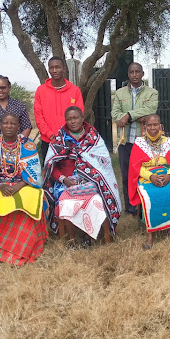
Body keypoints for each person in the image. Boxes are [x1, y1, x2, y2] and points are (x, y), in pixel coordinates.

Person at [0, 114, 47, 265]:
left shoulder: (28, 144)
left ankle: (21, 249)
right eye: (5, 123)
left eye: (13, 123)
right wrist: (1, 186)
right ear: (0, 125)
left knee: (30, 201)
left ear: (19, 127)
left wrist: (18, 186)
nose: (9, 126)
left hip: (24, 184)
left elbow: (35, 174)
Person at [43, 106, 121, 248]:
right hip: (65, 182)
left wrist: (89, 178)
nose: (72, 121)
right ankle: (72, 240)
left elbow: (103, 163)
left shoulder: (93, 136)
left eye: (75, 118)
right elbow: (51, 166)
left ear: (82, 118)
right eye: (69, 119)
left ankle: (87, 236)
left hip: (90, 182)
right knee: (66, 202)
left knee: (97, 199)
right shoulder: (59, 138)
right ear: (65, 121)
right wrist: (64, 180)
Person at [129, 114, 170, 249]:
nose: (153, 128)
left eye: (155, 125)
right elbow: (136, 167)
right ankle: (150, 236)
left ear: (160, 126)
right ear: (145, 127)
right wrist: (150, 177)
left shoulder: (167, 142)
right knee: (150, 196)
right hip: (146, 176)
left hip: (165, 174)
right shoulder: (139, 142)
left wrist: (169, 176)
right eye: (149, 125)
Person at [112, 62, 158, 216]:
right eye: (131, 72)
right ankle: (130, 207)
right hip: (125, 141)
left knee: (144, 174)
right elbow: (115, 113)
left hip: (144, 142)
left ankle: (145, 205)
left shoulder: (152, 92)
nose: (134, 75)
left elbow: (151, 110)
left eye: (137, 72)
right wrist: (137, 117)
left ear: (142, 73)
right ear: (128, 74)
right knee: (126, 176)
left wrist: (128, 115)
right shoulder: (119, 93)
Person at [34, 56, 84, 165]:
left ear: (64, 69)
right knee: (50, 176)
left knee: (71, 176)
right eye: (51, 68)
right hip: (48, 142)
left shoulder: (74, 91)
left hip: (70, 141)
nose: (54, 70)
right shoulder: (41, 91)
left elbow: (79, 116)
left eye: (57, 67)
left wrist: (66, 136)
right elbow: (39, 117)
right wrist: (51, 136)